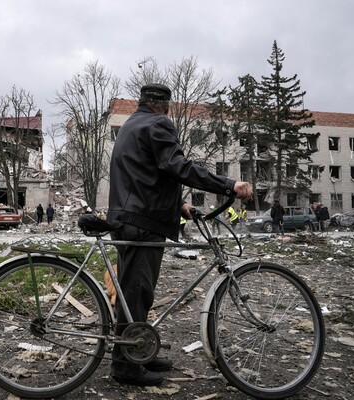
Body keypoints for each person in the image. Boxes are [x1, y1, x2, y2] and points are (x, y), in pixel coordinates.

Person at [107, 83, 253, 387]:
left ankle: (138, 352)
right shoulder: (158, 123)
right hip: (143, 222)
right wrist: (228, 184)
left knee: (133, 292)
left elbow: (146, 174)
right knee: (136, 294)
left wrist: (179, 204)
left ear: (143, 102)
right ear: (165, 106)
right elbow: (177, 166)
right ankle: (126, 367)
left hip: (129, 217)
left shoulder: (132, 125)